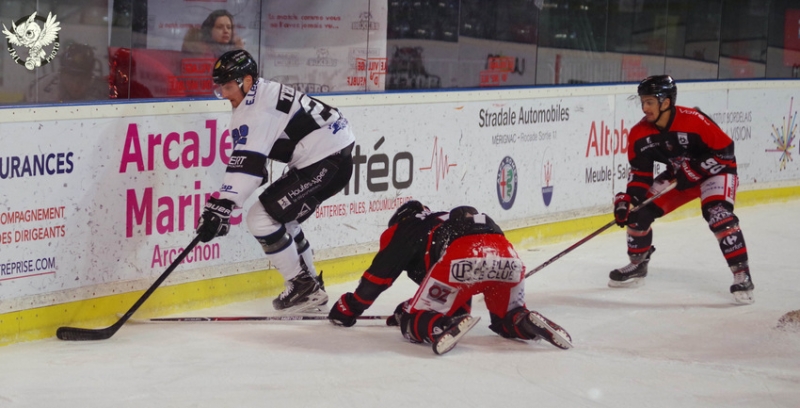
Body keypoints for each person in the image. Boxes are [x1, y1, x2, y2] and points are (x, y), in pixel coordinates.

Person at [197, 49, 355, 313]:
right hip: (332, 158)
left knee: (260, 219)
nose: (223, 94)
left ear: (247, 80)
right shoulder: (264, 92)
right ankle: (311, 287)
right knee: (284, 219)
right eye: (219, 88)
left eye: (227, 86)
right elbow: (258, 161)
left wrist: (222, 206)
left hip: (326, 161)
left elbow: (246, 165)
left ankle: (302, 286)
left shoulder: (256, 109)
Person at [328, 201, 573, 355]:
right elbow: (458, 301)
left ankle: (438, 327)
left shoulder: (406, 227)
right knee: (505, 320)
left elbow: (378, 277)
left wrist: (347, 309)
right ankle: (523, 320)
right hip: (505, 254)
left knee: (413, 322)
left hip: (461, 258)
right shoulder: (440, 219)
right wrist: (405, 306)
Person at [610, 75, 754, 304]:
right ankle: (638, 263)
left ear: (666, 102)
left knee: (719, 215)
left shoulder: (694, 120)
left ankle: (742, 274)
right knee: (637, 213)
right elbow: (640, 174)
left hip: (716, 172)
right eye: (642, 101)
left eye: (649, 102)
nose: (644, 107)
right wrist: (629, 199)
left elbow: (725, 151)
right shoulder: (640, 133)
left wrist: (696, 169)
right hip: (681, 175)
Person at [25, 42, 107, 103]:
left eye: (83, 78)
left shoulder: (104, 91)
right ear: (61, 74)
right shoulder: (41, 91)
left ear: (91, 78)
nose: (76, 84)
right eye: (71, 77)